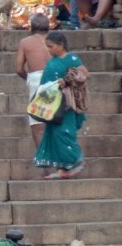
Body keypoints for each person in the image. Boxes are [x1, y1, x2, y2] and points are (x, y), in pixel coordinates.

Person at [34, 32, 89, 180]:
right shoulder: (53, 61)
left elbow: (84, 74)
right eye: (47, 47)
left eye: (51, 46)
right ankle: (62, 169)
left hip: (66, 105)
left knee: (63, 133)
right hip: (53, 104)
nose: (49, 50)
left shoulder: (71, 58)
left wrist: (66, 80)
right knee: (54, 134)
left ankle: (76, 160)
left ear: (61, 45)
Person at [14, 13, 51, 150]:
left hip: (36, 81)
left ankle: (46, 165)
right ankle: (61, 164)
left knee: (38, 127)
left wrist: (29, 78)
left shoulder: (25, 42)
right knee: (57, 123)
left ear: (31, 27)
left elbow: (19, 69)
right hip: (58, 79)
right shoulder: (58, 40)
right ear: (48, 27)